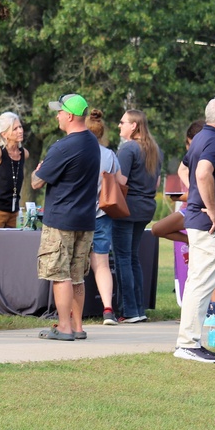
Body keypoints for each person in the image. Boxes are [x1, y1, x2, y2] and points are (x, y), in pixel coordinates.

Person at [152, 120, 215, 318]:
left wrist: (193, 192)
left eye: (189, 144)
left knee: (204, 268)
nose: (189, 149)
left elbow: (199, 179)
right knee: (213, 263)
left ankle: (201, 315)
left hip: (205, 211)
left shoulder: (204, 154)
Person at [173, 97, 215, 363]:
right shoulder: (212, 141)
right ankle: (188, 343)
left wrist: (196, 199)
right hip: (207, 223)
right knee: (201, 283)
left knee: (196, 282)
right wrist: (210, 208)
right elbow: (201, 172)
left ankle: (187, 342)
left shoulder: (202, 136)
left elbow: (184, 168)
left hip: (198, 221)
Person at [31, 93, 100, 341]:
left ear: (69, 115)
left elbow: (37, 182)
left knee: (60, 276)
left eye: (59, 112)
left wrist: (38, 170)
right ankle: (77, 325)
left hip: (61, 220)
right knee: (77, 276)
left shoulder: (62, 147)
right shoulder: (92, 142)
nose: (57, 115)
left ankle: (63, 327)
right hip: (85, 220)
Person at [112, 108, 161, 323]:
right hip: (146, 207)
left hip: (126, 208)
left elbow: (121, 181)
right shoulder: (154, 149)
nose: (119, 125)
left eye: (123, 122)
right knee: (132, 257)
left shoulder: (128, 148)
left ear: (134, 126)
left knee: (123, 257)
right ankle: (139, 308)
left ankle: (129, 310)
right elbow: (157, 181)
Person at [87, 108, 127, 325]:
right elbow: (120, 182)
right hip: (102, 214)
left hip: (79, 215)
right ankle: (108, 309)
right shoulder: (109, 154)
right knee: (101, 263)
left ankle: (74, 310)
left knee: (76, 265)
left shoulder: (77, 152)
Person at [0, 111, 29, 229]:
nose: (20, 131)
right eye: (15, 129)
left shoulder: (24, 153)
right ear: (4, 134)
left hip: (14, 212)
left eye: (20, 127)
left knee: (12, 246)